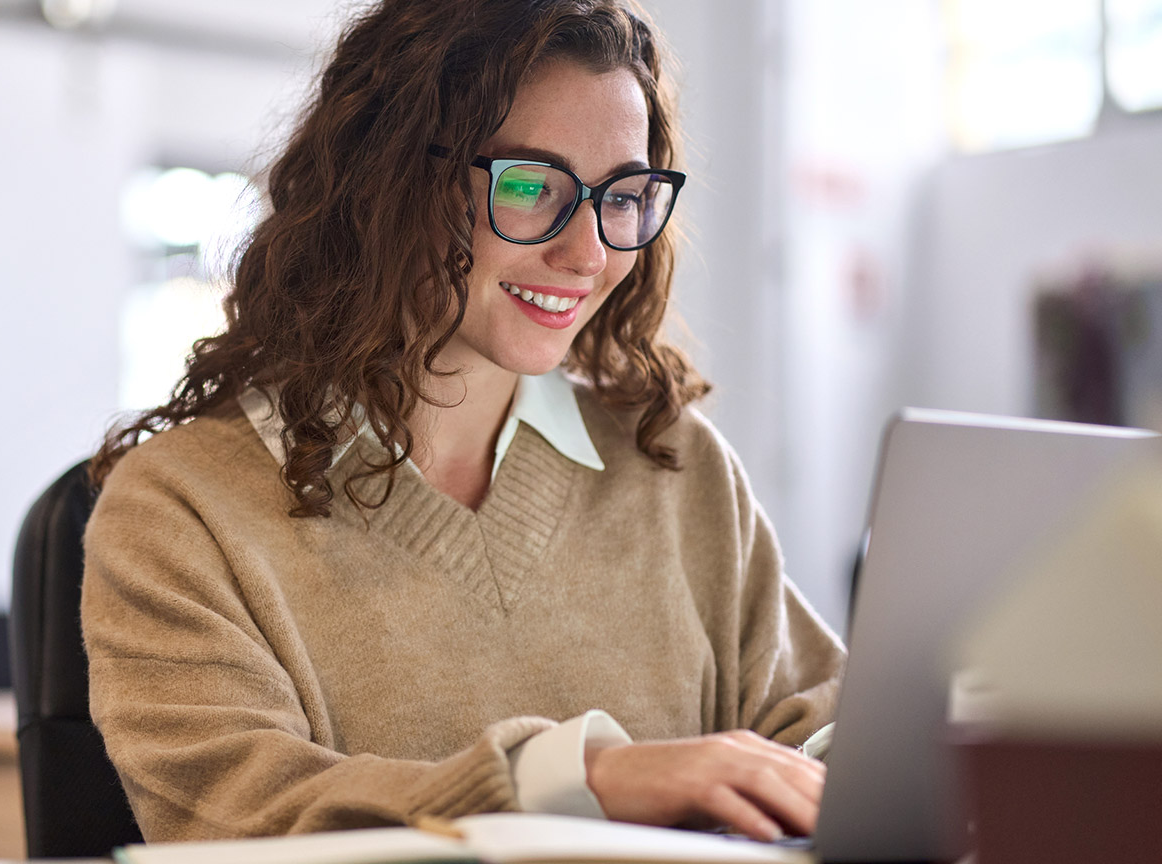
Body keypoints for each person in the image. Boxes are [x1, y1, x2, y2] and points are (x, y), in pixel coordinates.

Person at [81, 0, 845, 845]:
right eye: (528, 186)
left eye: (623, 196)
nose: (589, 254)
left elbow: (817, 728)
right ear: (386, 182)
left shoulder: (676, 466)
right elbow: (241, 817)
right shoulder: (180, 511)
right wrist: (579, 780)